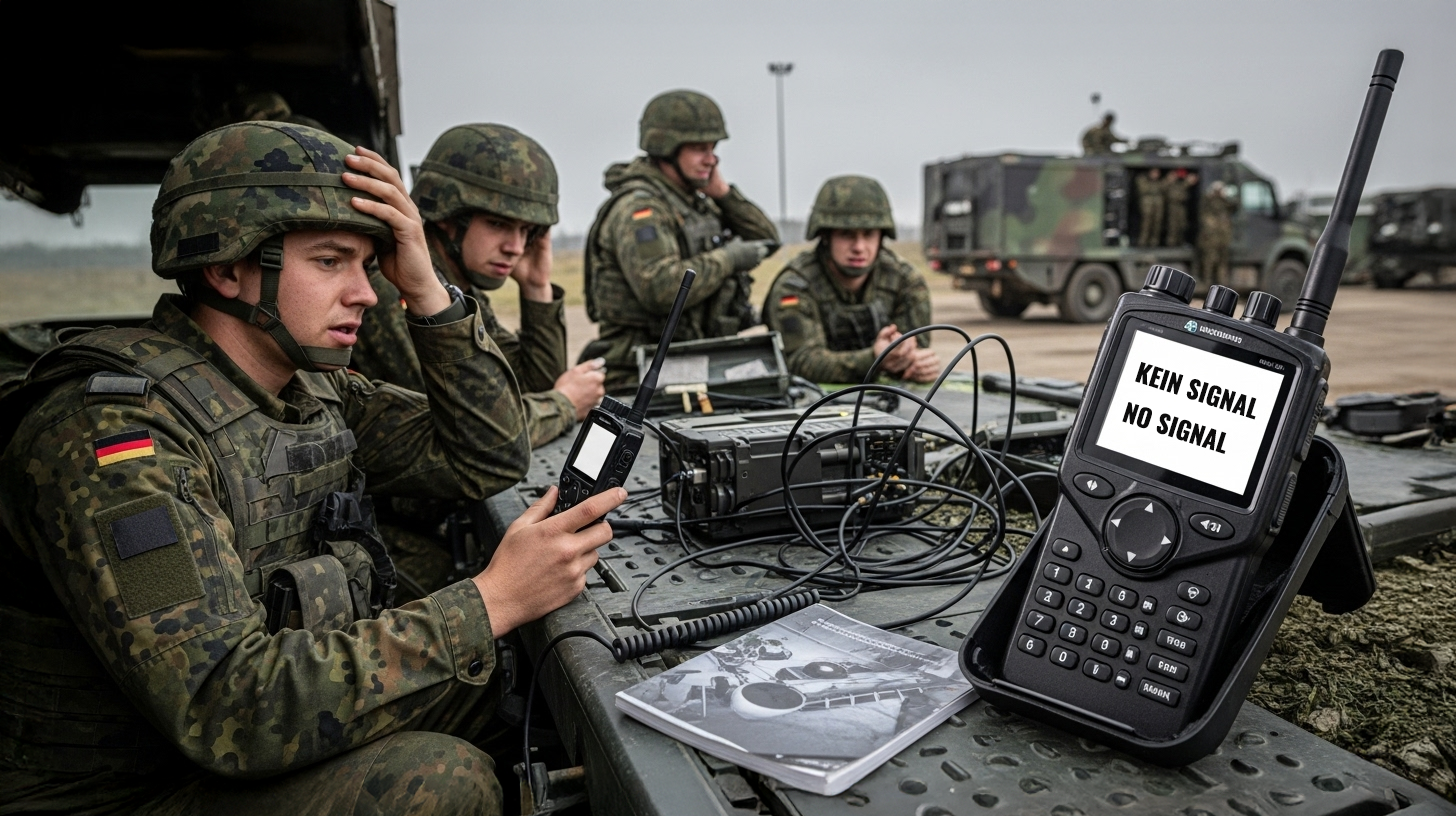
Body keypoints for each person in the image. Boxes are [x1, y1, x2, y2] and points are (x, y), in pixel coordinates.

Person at [0, 121, 625, 815]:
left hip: (237, 748)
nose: (364, 293)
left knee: (533, 689)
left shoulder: (306, 390)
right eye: (331, 262)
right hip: (130, 789)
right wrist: (493, 600)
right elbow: (224, 705)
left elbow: (488, 452)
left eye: (369, 265)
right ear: (228, 267)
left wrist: (426, 288)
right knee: (438, 783)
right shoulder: (113, 441)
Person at [352, 123, 605, 450]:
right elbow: (472, 430)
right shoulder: (396, 287)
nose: (516, 246)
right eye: (499, 224)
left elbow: (530, 387)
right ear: (448, 215)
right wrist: (564, 405)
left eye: (526, 230)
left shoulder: (457, 286)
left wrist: (536, 288)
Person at [579, 89, 780, 391]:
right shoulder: (641, 209)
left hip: (694, 365)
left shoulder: (696, 203)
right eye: (700, 148)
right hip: (640, 373)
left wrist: (724, 195)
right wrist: (729, 259)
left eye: (713, 148)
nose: (711, 159)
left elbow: (767, 239)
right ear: (667, 148)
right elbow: (660, 288)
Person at [762, 175, 938, 384]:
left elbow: (914, 351)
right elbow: (800, 362)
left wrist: (917, 365)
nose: (859, 247)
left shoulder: (906, 281)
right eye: (847, 234)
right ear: (826, 236)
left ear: (882, 237)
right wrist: (875, 359)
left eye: (869, 234)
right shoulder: (795, 286)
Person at [1199, 179, 1240, 285]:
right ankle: (1207, 282)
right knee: (1210, 260)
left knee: (1222, 262)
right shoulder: (1209, 202)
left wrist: (1226, 196)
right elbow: (1203, 209)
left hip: (1222, 240)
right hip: (1211, 240)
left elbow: (1235, 206)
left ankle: (1220, 283)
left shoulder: (1225, 203)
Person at [1164, 170, 1196, 246]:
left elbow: (1183, 190)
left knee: (1182, 225)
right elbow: (1172, 194)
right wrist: (1169, 180)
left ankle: (1180, 242)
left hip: (1181, 207)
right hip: (1172, 207)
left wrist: (1188, 181)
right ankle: (1171, 243)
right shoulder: (1169, 184)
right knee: (1172, 226)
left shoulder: (1180, 184)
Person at [1136, 167, 1166, 247]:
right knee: (1146, 225)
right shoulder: (1143, 180)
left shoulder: (1158, 183)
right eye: (1154, 173)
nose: (1156, 175)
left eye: (1157, 173)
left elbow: (1164, 188)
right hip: (1147, 207)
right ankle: (1143, 242)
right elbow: (1144, 189)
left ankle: (1154, 242)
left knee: (1157, 225)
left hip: (1157, 207)